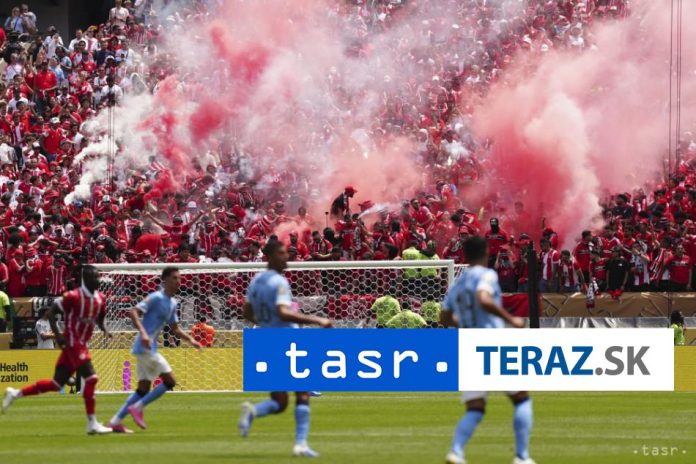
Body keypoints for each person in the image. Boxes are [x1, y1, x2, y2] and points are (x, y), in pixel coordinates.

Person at [440, 236, 533, 464]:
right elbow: (483, 299)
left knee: (475, 408)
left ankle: (456, 451)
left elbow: (444, 317)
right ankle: (522, 457)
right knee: (521, 398)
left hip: (468, 345)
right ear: (486, 252)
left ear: (465, 254)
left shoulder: (457, 283)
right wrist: (512, 319)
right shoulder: (486, 275)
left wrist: (463, 323)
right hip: (491, 342)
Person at [237, 240, 332, 457]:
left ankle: (252, 412)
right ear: (270, 257)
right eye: (281, 253)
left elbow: (246, 312)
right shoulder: (279, 281)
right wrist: (318, 319)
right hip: (288, 342)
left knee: (279, 402)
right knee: (303, 393)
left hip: (269, 342)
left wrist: (266, 324)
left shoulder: (256, 281)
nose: (286, 256)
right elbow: (283, 312)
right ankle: (301, 444)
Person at [2, 265, 113, 435]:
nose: (98, 280)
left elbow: (100, 316)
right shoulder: (73, 296)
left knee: (56, 384)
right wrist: (58, 335)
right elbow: (51, 312)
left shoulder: (100, 298)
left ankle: (15, 393)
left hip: (80, 344)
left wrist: (104, 328)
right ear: (86, 279)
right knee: (91, 378)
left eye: (99, 277)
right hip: (73, 343)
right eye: (95, 277)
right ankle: (92, 423)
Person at [108, 266, 202, 433]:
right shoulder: (156, 297)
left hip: (147, 348)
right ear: (164, 280)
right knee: (170, 381)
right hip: (146, 347)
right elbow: (134, 312)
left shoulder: (172, 303)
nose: (178, 281)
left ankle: (115, 421)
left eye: (179, 278)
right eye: (174, 278)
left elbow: (174, 328)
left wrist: (191, 340)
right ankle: (138, 408)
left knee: (143, 389)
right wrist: (143, 333)